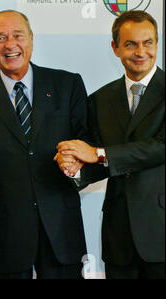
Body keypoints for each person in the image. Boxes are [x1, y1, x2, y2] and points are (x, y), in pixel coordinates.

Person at [0, 10, 89, 279]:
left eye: (18, 35)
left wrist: (77, 165)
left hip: (61, 229)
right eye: (1, 37)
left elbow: (89, 144)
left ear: (31, 39)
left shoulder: (67, 84)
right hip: (5, 232)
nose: (10, 44)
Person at [56, 10, 164, 279]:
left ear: (157, 44)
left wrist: (97, 153)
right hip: (119, 238)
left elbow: (159, 147)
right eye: (131, 44)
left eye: (148, 42)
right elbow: (99, 162)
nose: (141, 51)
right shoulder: (100, 99)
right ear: (115, 48)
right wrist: (74, 166)